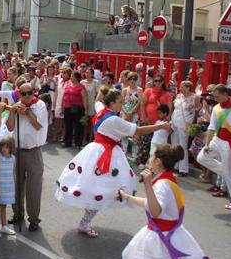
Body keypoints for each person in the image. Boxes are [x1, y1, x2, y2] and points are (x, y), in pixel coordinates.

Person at [118, 145, 228, 259]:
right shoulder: (167, 178)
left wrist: (148, 185)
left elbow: (155, 211)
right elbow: (151, 203)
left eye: (152, 157)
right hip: (173, 235)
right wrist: (127, 197)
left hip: (159, 239)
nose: (150, 159)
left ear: (158, 161)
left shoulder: (161, 184)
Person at [55, 89, 169, 237]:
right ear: (112, 103)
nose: (122, 105)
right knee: (102, 188)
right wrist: (160, 126)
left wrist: (102, 90)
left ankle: (85, 220)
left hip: (95, 151)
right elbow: (138, 131)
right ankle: (85, 221)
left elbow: (97, 102)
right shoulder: (114, 120)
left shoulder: (101, 110)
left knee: (97, 187)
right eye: (120, 102)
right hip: (106, 155)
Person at [6, 83, 48, 232]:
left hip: (33, 151)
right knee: (16, 185)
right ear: (19, 94)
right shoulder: (16, 104)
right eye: (23, 94)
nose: (26, 96)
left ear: (33, 92)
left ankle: (34, 218)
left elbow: (38, 125)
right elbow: (10, 127)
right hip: (17, 150)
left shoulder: (40, 105)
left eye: (29, 92)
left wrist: (28, 112)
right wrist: (12, 111)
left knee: (33, 188)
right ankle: (18, 213)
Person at [170, 81, 200, 176]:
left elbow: (197, 110)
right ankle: (175, 166)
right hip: (174, 122)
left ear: (188, 88)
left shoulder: (195, 97)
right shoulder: (178, 96)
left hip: (185, 124)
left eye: (182, 87)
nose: (180, 88)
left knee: (183, 146)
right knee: (175, 145)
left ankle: (183, 169)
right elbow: (174, 109)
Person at [62, 71, 87, 148]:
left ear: (76, 78)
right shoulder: (68, 85)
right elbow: (64, 96)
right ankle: (67, 142)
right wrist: (62, 106)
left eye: (72, 76)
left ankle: (78, 143)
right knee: (68, 125)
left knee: (78, 126)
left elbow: (84, 98)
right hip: (67, 107)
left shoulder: (81, 87)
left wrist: (86, 109)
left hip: (78, 108)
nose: (71, 77)